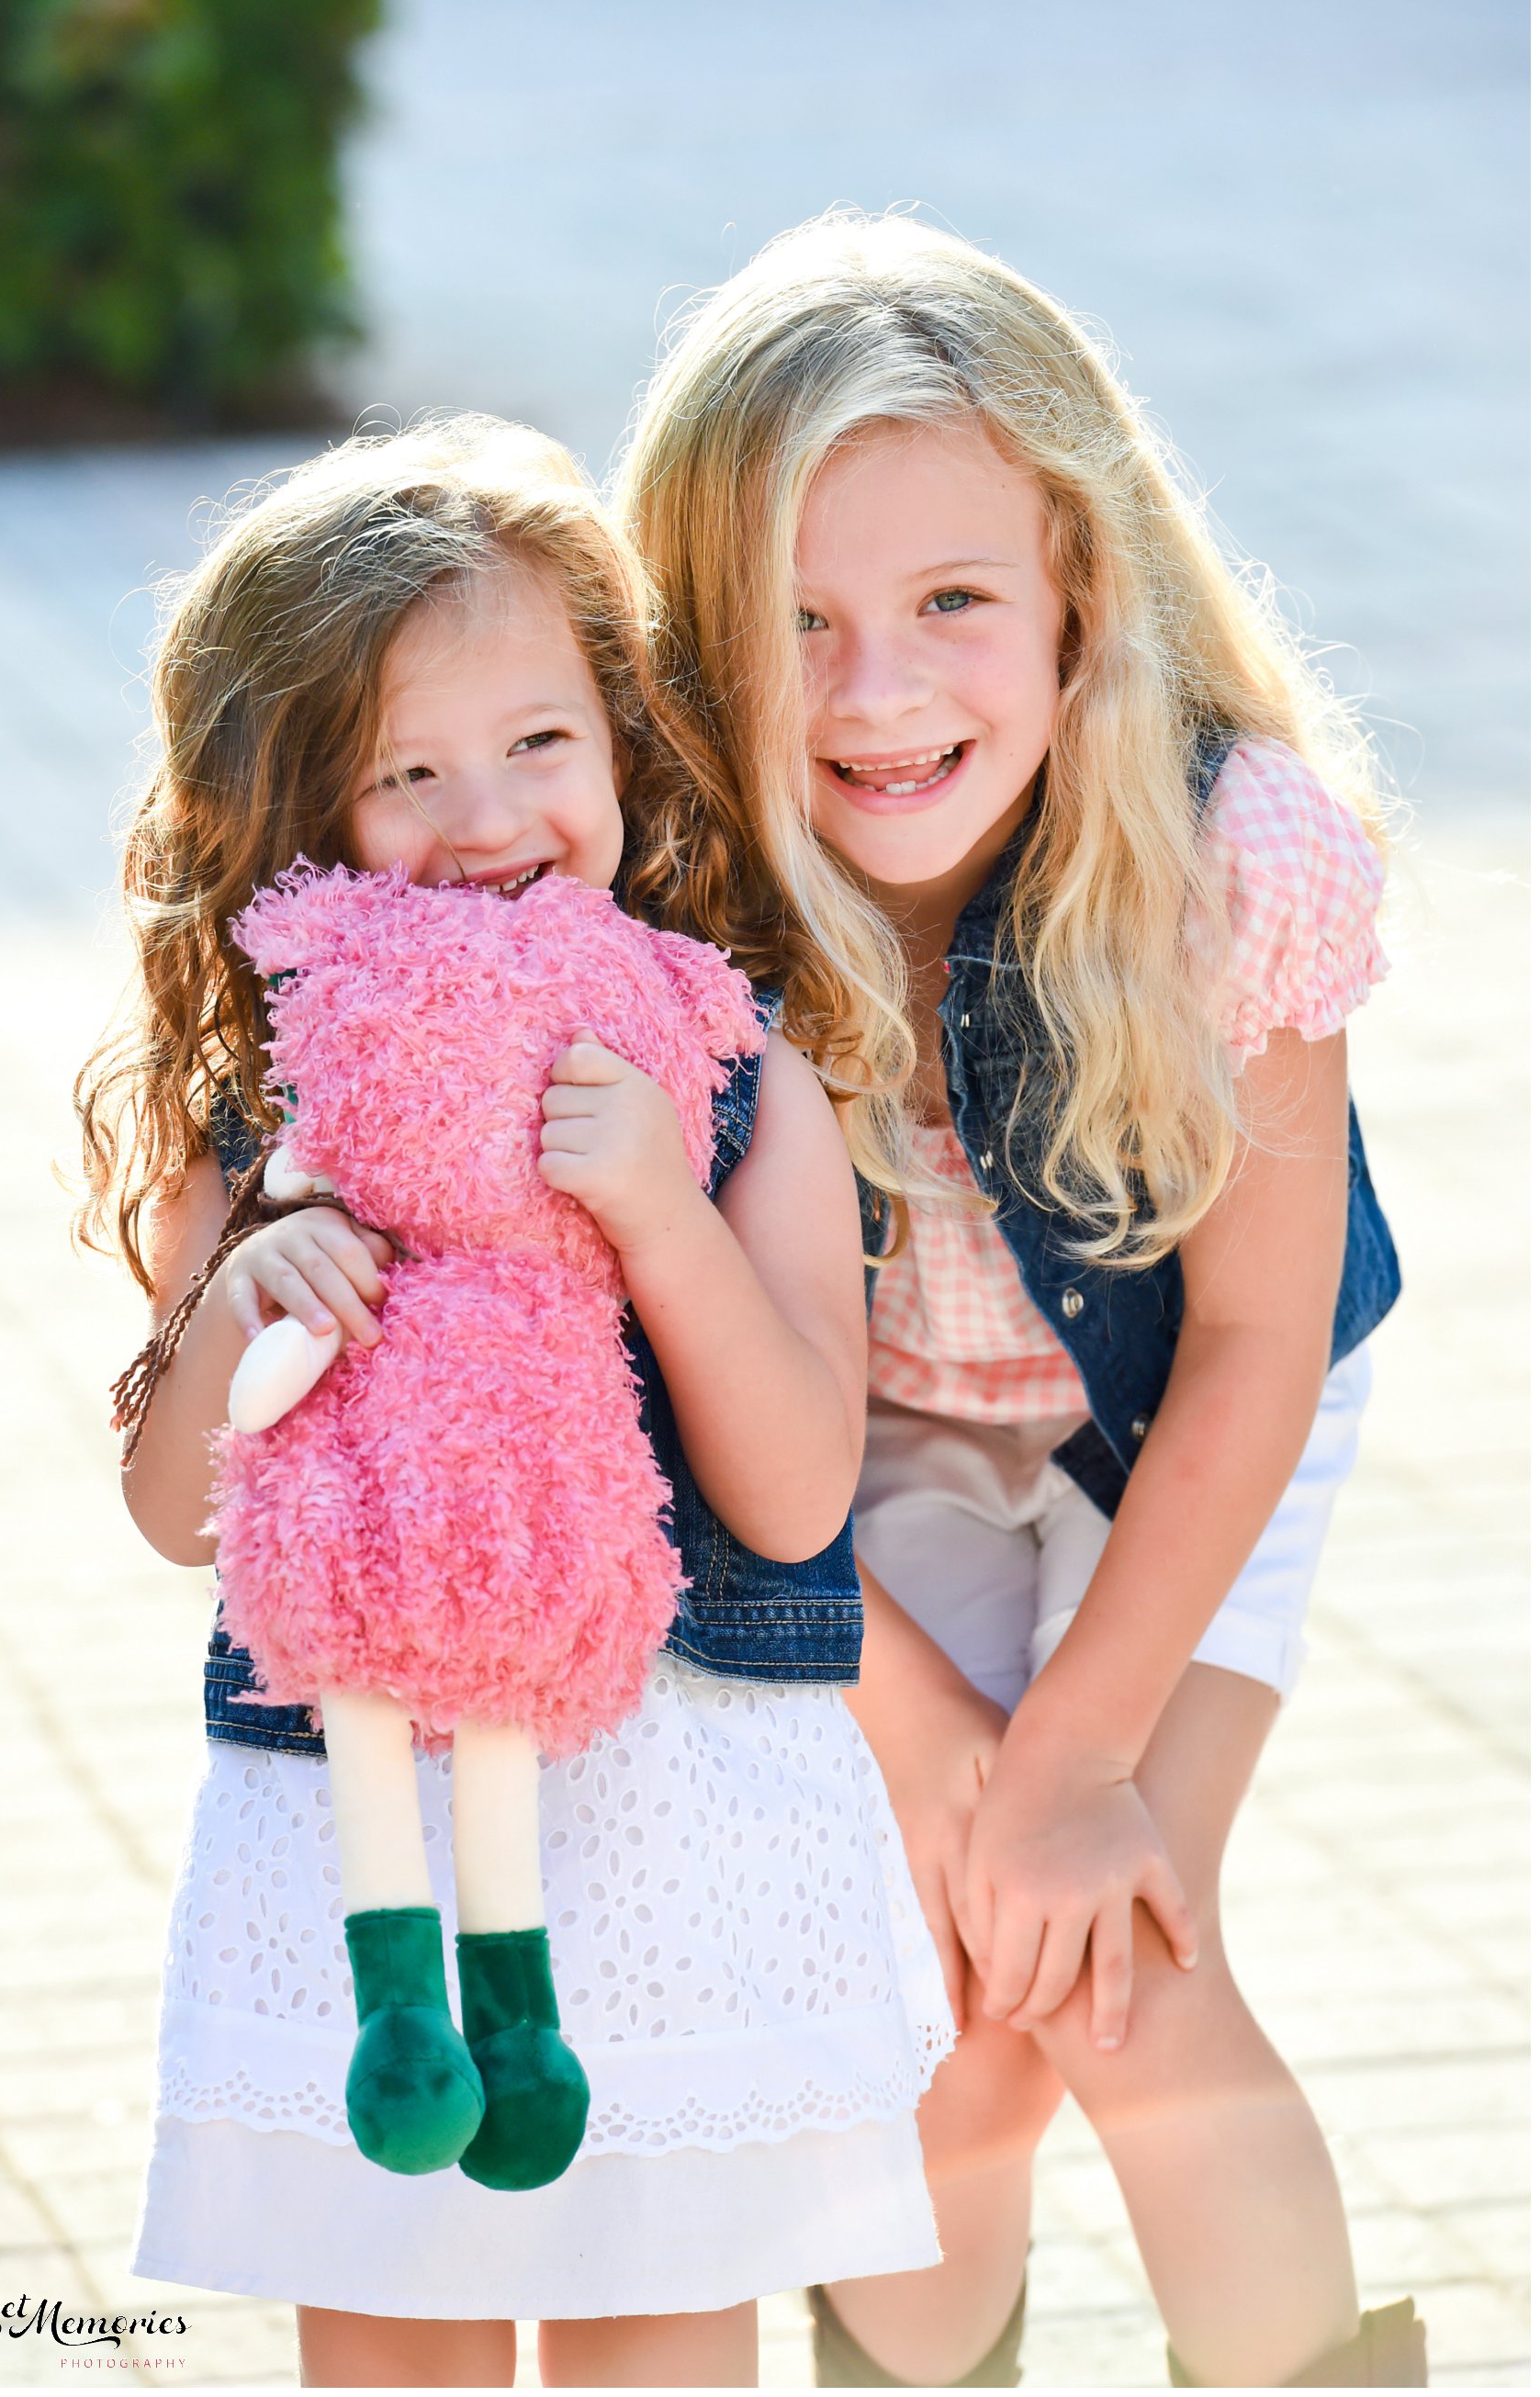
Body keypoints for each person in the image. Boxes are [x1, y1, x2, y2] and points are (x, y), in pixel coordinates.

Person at [614, 214, 1427, 2389]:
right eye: (800, 626)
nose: (879, 694)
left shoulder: (1232, 851)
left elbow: (1261, 1342)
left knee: (1127, 1971)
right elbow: (661, 1397)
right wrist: (939, 1742)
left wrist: (1071, 1758)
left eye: (954, 602)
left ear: (1083, 586)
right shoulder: (664, 905)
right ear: (697, 645)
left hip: (1183, 1419)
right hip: (824, 1438)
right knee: (950, 2014)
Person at [77, 417, 953, 2390]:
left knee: (661, 2324)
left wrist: (656, 1205)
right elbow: (171, 1513)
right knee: (394, 2327)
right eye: (407, 771)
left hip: (680, 1817)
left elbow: (800, 1490)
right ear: (301, 817)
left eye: (540, 743)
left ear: (624, 750)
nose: (487, 811)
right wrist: (255, 1278)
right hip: (355, 1837)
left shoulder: (734, 1087)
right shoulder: (277, 1115)